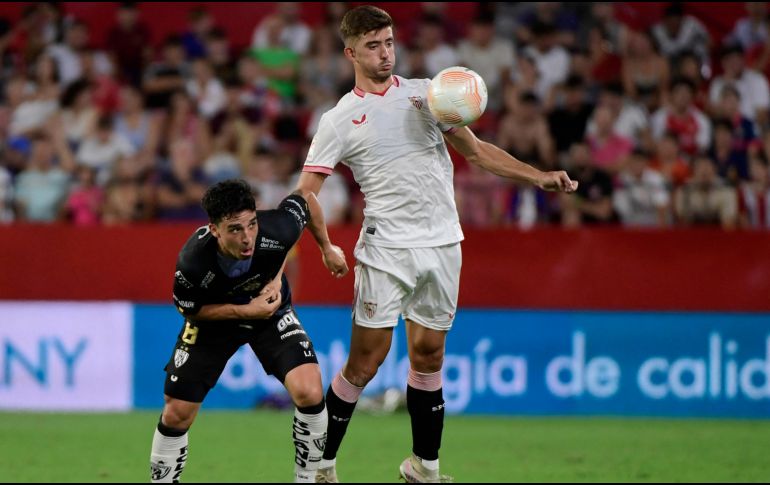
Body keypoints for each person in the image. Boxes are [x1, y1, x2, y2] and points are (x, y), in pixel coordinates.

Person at [294, 6, 578, 483]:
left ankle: (424, 467)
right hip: (386, 249)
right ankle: (322, 465)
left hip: (443, 242)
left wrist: (538, 176)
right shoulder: (340, 119)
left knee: (429, 356)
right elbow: (306, 192)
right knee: (365, 363)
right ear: (351, 53)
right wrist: (325, 245)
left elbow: (477, 150)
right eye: (372, 46)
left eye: (388, 43)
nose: (385, 53)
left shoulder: (430, 96)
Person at [149, 179, 341, 483]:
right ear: (215, 230)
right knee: (176, 412)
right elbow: (188, 308)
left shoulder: (275, 228)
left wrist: (326, 248)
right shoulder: (193, 261)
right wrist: (246, 310)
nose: (248, 237)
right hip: (213, 322)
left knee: (309, 390)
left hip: (269, 314)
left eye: (251, 224)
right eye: (235, 229)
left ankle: (307, 479)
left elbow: (307, 197)